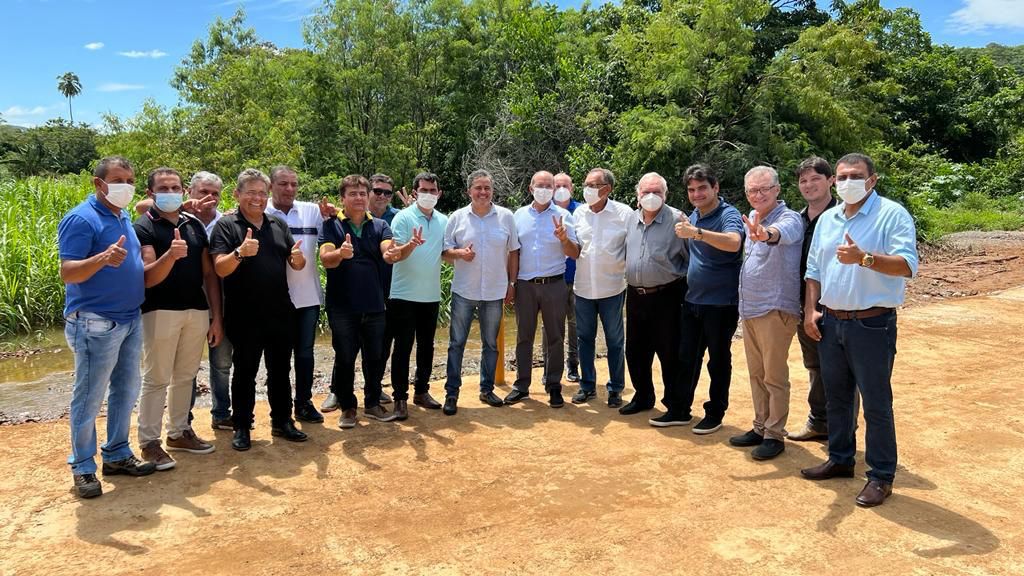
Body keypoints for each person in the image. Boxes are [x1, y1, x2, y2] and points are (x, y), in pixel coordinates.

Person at [801, 153, 918, 508]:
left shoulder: (891, 214)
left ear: (872, 180)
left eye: (856, 175)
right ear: (834, 182)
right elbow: (814, 269)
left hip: (872, 323)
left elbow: (907, 265)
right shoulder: (829, 220)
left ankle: (881, 476)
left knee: (876, 403)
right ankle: (840, 458)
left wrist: (864, 258)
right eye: (842, 176)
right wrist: (810, 310)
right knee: (837, 396)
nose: (848, 181)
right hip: (832, 321)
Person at [58, 156, 156, 498]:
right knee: (88, 397)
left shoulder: (121, 213)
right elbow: (68, 272)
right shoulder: (81, 218)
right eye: (118, 180)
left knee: (126, 390)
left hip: (129, 318)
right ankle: (83, 467)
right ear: (98, 184)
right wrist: (101, 259)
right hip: (95, 321)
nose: (125, 186)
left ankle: (116, 454)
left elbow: (146, 201)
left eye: (130, 180)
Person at [209, 168, 309, 451]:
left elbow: (295, 263)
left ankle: (282, 421)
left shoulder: (278, 225)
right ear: (237, 194)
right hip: (244, 314)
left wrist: (298, 259)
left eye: (262, 193)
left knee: (280, 370)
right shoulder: (227, 226)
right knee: (245, 372)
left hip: (280, 311)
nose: (257, 198)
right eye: (250, 192)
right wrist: (240, 252)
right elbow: (220, 268)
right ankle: (242, 426)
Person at [134, 167, 221, 471]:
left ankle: (179, 432)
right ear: (150, 194)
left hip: (196, 310)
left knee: (186, 376)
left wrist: (216, 317)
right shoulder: (143, 226)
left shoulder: (194, 225)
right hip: (159, 311)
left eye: (175, 187)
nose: (170, 192)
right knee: (157, 378)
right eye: (163, 188)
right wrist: (170, 256)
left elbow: (209, 274)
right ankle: (149, 442)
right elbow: (147, 277)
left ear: (183, 192)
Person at [319, 175, 414, 428]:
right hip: (342, 306)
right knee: (345, 357)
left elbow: (388, 252)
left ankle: (372, 403)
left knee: (374, 357)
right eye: (353, 194)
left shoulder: (381, 225)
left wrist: (404, 249)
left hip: (374, 305)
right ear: (343, 198)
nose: (359, 198)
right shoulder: (331, 225)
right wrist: (341, 253)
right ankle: (348, 407)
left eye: (362, 193)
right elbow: (326, 258)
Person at [660, 163, 744, 433]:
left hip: (721, 303)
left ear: (715, 187)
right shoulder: (693, 215)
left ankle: (715, 412)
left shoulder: (727, 214)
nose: (697, 194)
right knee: (687, 358)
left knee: (718, 361)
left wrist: (697, 233)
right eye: (692, 189)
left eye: (702, 188)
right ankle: (680, 409)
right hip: (693, 301)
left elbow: (733, 242)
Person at [727, 166, 803, 460]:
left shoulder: (789, 218)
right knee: (757, 374)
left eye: (764, 189)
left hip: (775, 308)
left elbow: (779, 234)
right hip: (751, 308)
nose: (758, 195)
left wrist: (765, 234)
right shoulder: (751, 218)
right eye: (752, 190)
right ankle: (760, 426)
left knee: (774, 375)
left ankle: (774, 434)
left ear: (777, 190)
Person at [441, 169, 520, 415]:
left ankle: (486, 389)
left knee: (490, 344)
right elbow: (445, 253)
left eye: (487, 188)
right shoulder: (456, 217)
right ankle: (452, 393)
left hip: (495, 291)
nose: (483, 192)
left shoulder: (506, 217)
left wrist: (512, 283)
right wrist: (459, 254)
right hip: (464, 290)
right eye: (478, 188)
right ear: (469, 191)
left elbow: (514, 251)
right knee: (457, 343)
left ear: (492, 191)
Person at [504, 171, 580, 408]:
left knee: (556, 337)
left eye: (550, 186)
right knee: (524, 336)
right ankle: (521, 385)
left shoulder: (564, 216)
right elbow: (513, 252)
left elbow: (575, 253)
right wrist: (512, 283)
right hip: (526, 285)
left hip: (554, 285)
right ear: (531, 188)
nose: (545, 189)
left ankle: (554, 386)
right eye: (541, 185)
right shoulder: (518, 216)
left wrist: (564, 239)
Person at [620, 172, 689, 416]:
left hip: (668, 295)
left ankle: (674, 404)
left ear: (665, 195)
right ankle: (643, 396)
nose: (651, 197)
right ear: (638, 196)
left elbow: (691, 259)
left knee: (669, 351)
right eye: (645, 192)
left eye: (656, 192)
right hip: (636, 295)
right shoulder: (631, 219)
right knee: (636, 350)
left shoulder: (678, 219)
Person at [265, 166, 328, 424]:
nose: (289, 189)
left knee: (305, 355)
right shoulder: (261, 212)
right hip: (274, 300)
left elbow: (337, 226)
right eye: (283, 184)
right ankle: (278, 413)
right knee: (277, 361)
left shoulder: (312, 211)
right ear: (271, 186)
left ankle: (303, 403)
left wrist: (332, 212)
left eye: (293, 184)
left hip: (308, 297)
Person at [387, 172, 448, 419]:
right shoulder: (403, 218)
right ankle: (399, 397)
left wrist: (461, 253)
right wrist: (410, 245)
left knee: (427, 346)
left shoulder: (444, 221)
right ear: (414, 193)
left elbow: (445, 252)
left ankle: (421, 391)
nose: (429, 195)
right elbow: (395, 254)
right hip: (403, 294)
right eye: (424, 190)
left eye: (433, 191)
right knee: (402, 347)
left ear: (439, 194)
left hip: (431, 295)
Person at [570, 167, 631, 408]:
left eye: (593, 185)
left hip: (613, 288)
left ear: (608, 189)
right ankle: (587, 386)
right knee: (584, 338)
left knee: (615, 340)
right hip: (583, 288)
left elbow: (634, 246)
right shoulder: (578, 214)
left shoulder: (624, 214)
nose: (588, 190)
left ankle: (616, 388)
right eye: (586, 184)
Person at [788, 157, 838, 442]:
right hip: (802, 305)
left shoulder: (842, 216)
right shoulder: (797, 219)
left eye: (815, 179)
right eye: (803, 181)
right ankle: (819, 421)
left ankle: (842, 432)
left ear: (831, 181)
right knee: (815, 366)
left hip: (835, 306)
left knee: (839, 370)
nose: (808, 185)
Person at [551, 172, 581, 382]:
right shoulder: (544, 211)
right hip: (553, 279)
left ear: (572, 188)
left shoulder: (581, 211)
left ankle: (573, 366)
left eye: (565, 185)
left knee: (576, 324)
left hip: (579, 277)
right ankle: (550, 368)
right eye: (557, 185)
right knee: (550, 326)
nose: (561, 188)